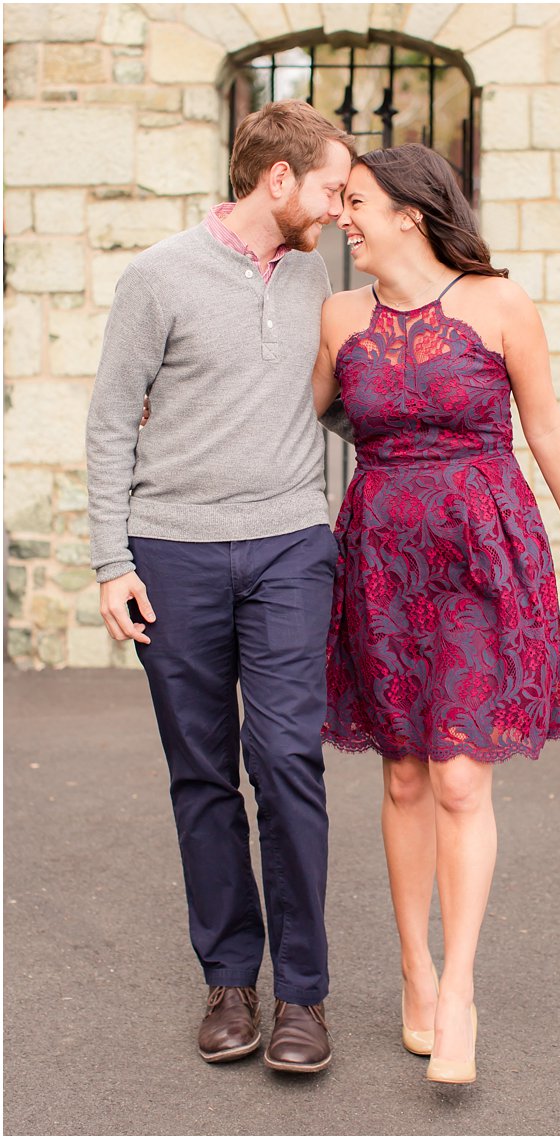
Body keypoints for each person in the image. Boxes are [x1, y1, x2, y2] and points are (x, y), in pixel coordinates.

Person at [311, 144, 560, 1086]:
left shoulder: (499, 303)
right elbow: (297, 420)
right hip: (382, 559)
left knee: (459, 781)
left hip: (481, 554)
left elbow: (547, 423)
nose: (343, 217)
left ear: (411, 211)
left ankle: (461, 992)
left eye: (356, 202)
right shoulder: (338, 315)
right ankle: (413, 970)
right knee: (401, 777)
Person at [85, 100, 355, 1072]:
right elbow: (113, 419)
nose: (337, 205)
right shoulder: (156, 277)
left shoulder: (315, 274)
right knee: (201, 772)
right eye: (328, 186)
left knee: (287, 761)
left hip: (289, 544)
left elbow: (331, 403)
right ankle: (230, 979)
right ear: (276, 179)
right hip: (174, 552)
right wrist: (112, 560)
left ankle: (305, 997)